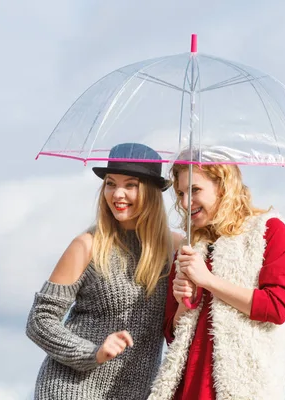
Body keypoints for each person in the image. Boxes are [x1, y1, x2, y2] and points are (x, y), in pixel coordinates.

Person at [26, 143, 183, 400]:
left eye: (130, 185)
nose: (117, 194)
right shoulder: (88, 245)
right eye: (111, 184)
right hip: (71, 390)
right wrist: (92, 352)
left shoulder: (176, 249)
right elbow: (39, 320)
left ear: (152, 192)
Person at [148, 152, 285, 400]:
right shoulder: (189, 248)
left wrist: (208, 280)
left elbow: (277, 307)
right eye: (180, 194)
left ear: (223, 185)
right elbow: (172, 334)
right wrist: (182, 305)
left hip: (241, 387)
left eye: (195, 190)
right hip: (188, 388)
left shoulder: (267, 230)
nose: (186, 203)